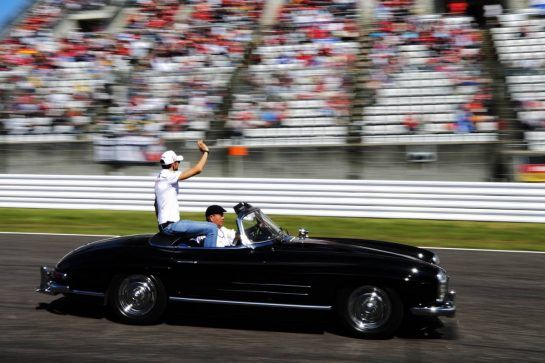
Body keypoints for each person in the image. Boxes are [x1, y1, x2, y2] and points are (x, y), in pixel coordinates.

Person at [154, 140, 218, 247]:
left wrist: (161, 224)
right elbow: (198, 169)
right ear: (173, 164)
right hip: (171, 226)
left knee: (195, 233)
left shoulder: (160, 178)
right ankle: (208, 259)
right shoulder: (169, 176)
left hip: (167, 225)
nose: (179, 163)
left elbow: (156, 204)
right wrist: (206, 152)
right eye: (178, 162)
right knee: (212, 228)